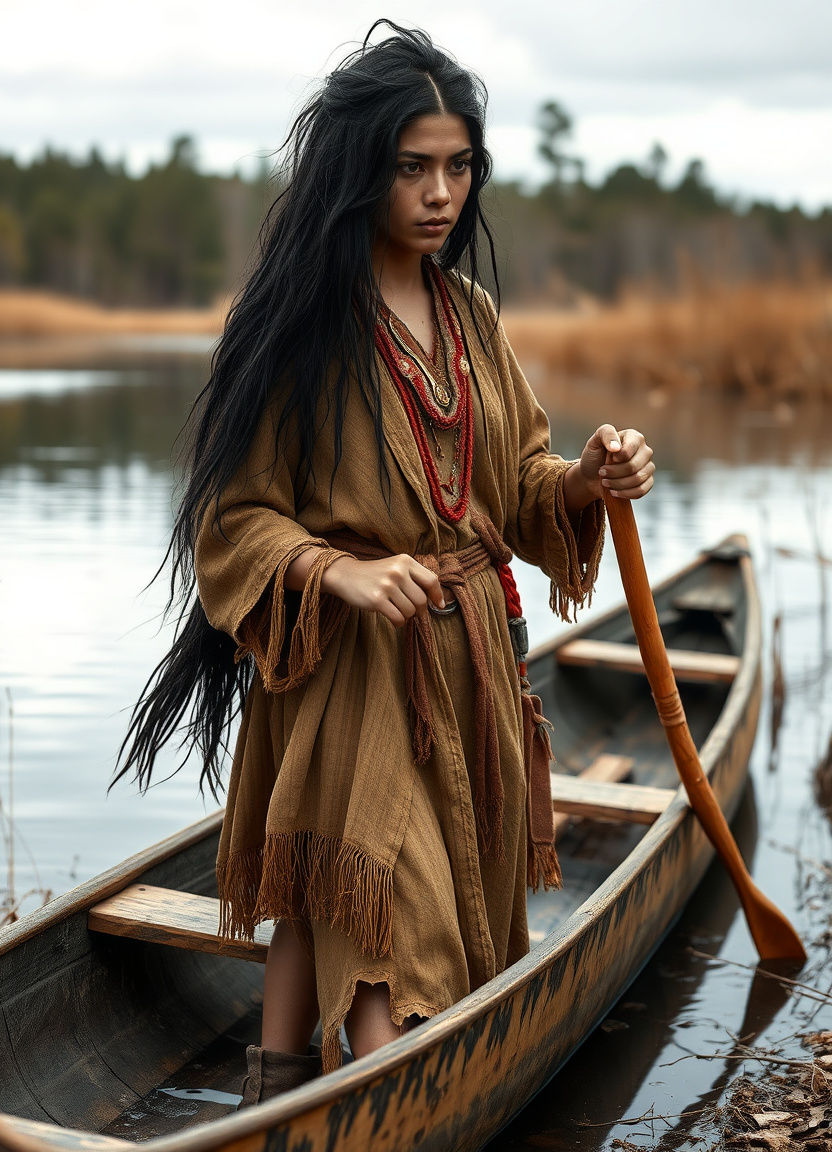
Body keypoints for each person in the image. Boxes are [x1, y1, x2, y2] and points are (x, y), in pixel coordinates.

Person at [116, 21, 655, 1108]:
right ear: (362, 168)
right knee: (384, 926)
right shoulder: (298, 326)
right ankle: (368, 1101)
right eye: (412, 166)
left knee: (370, 909)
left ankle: (277, 1095)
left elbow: (514, 486)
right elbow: (233, 517)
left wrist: (588, 480)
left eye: (458, 166)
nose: (439, 193)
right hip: (351, 682)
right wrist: (336, 572)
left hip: (470, 672)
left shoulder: (471, 318)